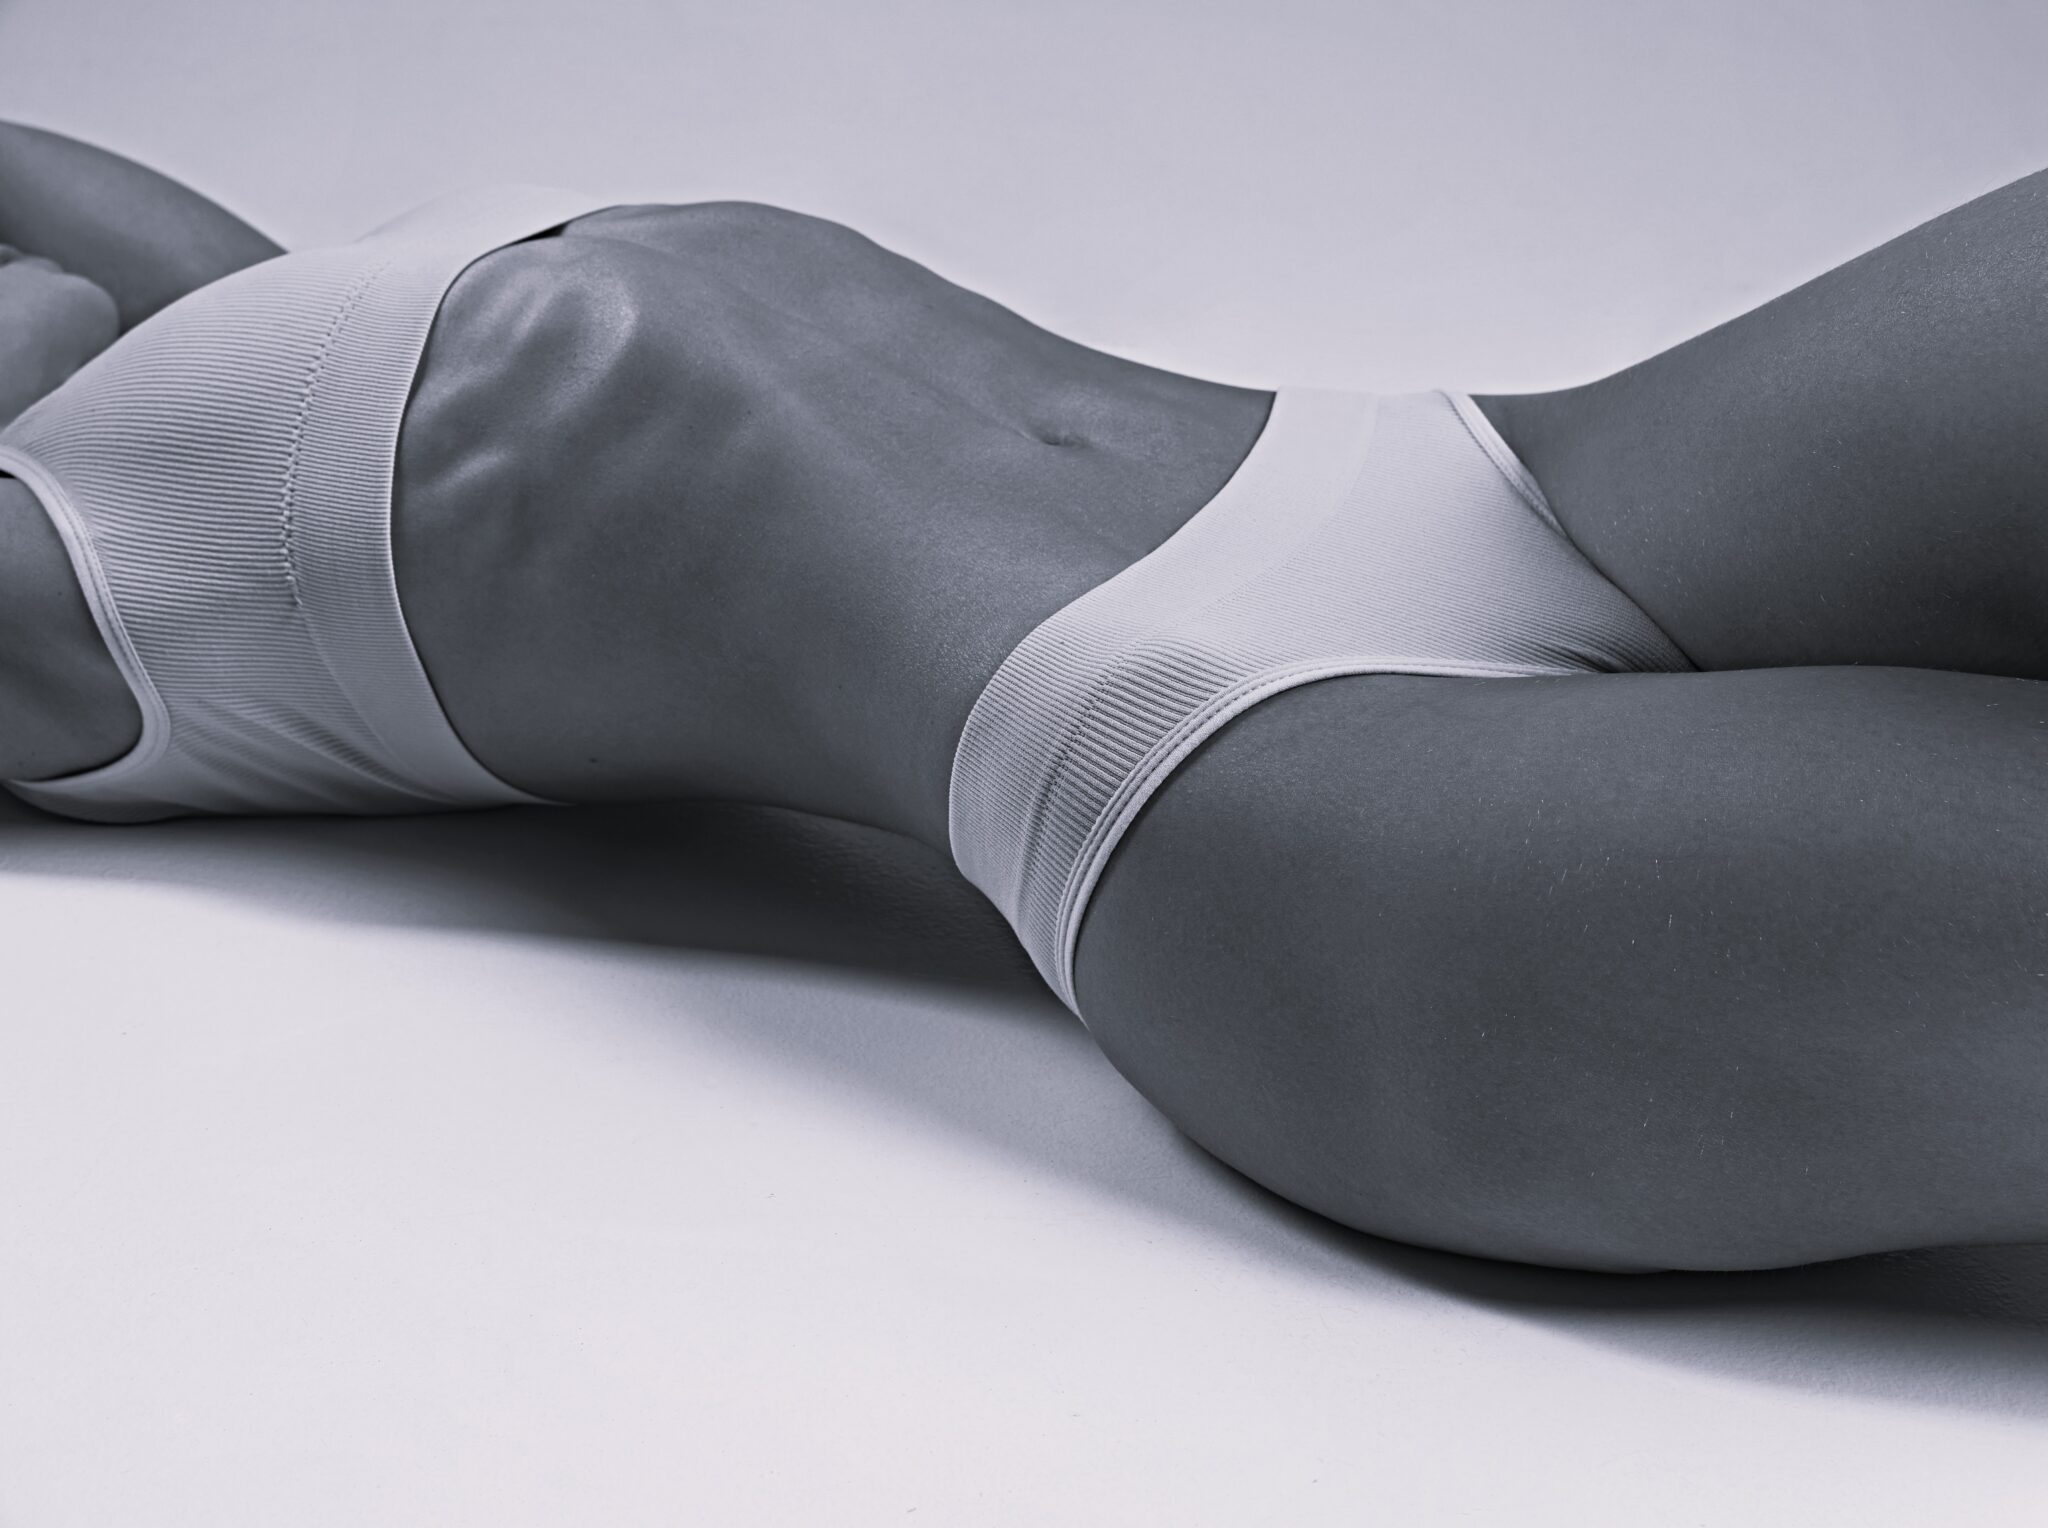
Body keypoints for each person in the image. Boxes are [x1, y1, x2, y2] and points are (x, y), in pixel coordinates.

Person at [3, 120, 2045, 1275]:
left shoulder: (200, 357)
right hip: (1216, 769)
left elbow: (78, 248)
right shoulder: (47, 622)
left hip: (1486, 469)